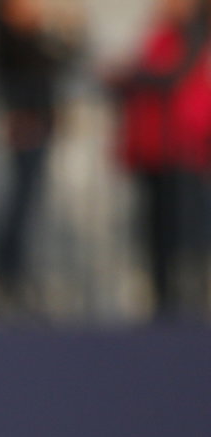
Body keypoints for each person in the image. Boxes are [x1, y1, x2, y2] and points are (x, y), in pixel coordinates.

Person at [111, 0, 211, 320]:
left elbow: (173, 76)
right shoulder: (159, 35)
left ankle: (184, 295)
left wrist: (135, 76)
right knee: (155, 227)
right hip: (153, 148)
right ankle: (163, 295)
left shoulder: (193, 33)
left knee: (184, 224)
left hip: (182, 144)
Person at [0, 0, 83, 311]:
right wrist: (20, 116)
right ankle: (7, 275)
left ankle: (19, 274)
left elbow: (62, 62)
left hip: (41, 126)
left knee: (30, 202)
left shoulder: (37, 37)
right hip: (23, 128)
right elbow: (8, 81)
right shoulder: (4, 38)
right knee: (18, 202)